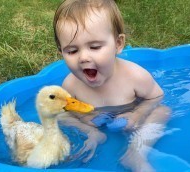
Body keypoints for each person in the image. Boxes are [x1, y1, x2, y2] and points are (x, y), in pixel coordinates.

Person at [53, 0, 171, 171]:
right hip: (93, 122)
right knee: (59, 116)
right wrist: (85, 121)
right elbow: (67, 111)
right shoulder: (71, 84)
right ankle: (95, 135)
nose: (83, 57)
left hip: (130, 113)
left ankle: (136, 152)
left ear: (118, 44)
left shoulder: (135, 76)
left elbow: (156, 97)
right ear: (61, 51)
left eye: (94, 47)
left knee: (163, 111)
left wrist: (137, 114)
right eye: (72, 51)